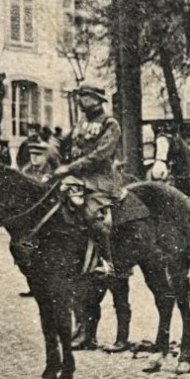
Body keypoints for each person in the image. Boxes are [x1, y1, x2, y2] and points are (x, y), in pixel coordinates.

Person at [53, 86, 124, 265]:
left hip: (101, 179)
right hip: (77, 178)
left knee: (92, 214)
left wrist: (70, 167)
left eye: (84, 97)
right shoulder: (82, 121)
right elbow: (65, 141)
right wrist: (51, 148)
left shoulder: (110, 123)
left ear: (96, 100)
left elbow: (101, 155)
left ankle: (106, 262)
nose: (80, 100)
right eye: (80, 96)